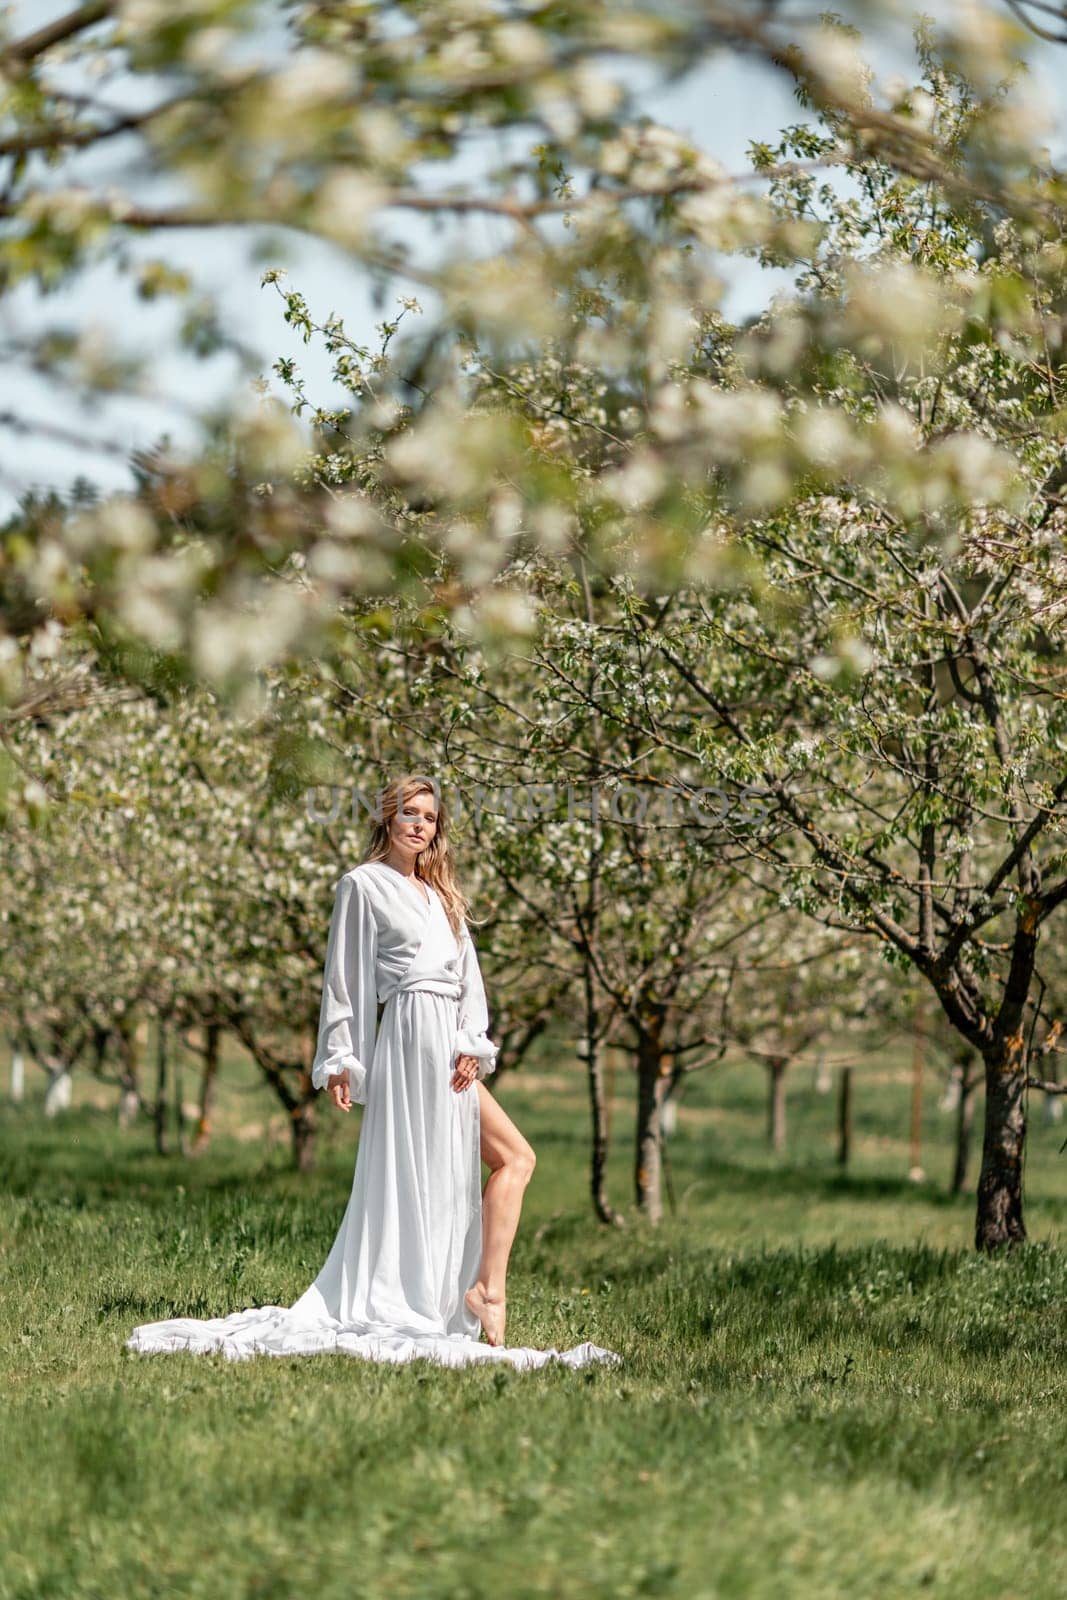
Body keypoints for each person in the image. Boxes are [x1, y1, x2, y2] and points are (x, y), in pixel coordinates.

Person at [126, 774, 620, 1372]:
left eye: (430, 817)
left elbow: (470, 978)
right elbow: (345, 976)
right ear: (387, 819)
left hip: (449, 1042)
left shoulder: (442, 896)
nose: (420, 824)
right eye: (409, 813)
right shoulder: (362, 886)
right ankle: (459, 1292)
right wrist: (341, 1058)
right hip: (410, 1037)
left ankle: (485, 1287)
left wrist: (472, 1041)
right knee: (450, 1163)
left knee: (514, 1157)